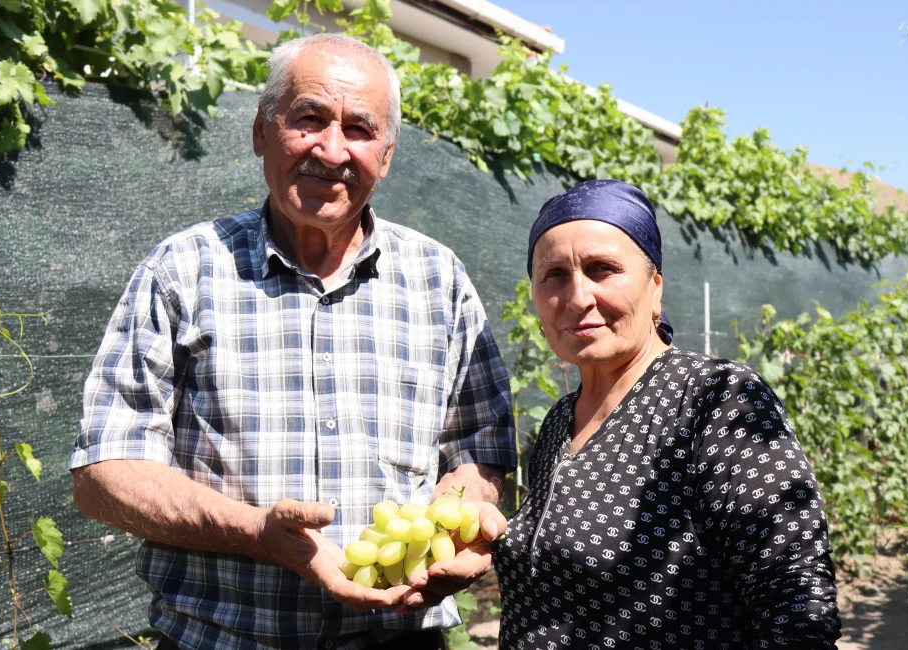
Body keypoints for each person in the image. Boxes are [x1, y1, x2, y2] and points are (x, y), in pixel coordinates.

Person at [69, 33, 515, 650]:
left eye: (359, 130)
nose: (331, 150)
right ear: (261, 132)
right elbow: (103, 472)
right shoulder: (183, 270)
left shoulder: (441, 282)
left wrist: (457, 533)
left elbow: (481, 451)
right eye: (308, 120)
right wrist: (256, 532)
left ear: (385, 156)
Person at [492, 179, 841, 649]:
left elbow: (795, 599)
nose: (577, 298)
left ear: (655, 288)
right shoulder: (560, 420)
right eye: (554, 275)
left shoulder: (716, 400)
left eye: (603, 269)